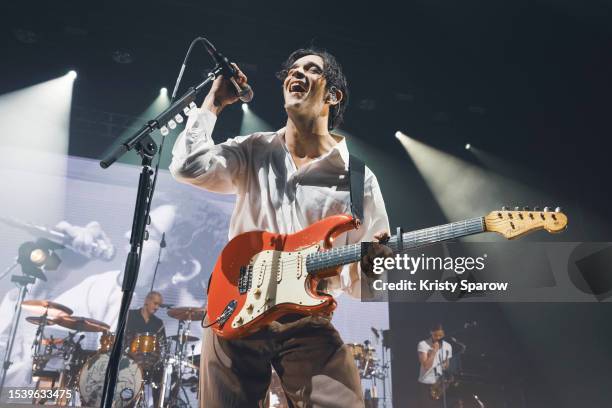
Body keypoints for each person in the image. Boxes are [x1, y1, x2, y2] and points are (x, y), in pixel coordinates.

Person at [170, 48, 391, 407]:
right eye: (293, 69)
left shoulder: (358, 179)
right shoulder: (254, 149)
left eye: (311, 69)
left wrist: (371, 265)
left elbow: (365, 288)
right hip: (236, 306)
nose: (296, 74)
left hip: (307, 319)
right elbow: (187, 168)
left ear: (333, 95)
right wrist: (213, 103)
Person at [417, 323, 453, 408]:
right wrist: (434, 352)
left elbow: (446, 365)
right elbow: (426, 366)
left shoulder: (448, 346)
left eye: (441, 335)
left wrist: (446, 366)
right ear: (431, 333)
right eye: (436, 335)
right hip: (426, 383)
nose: (438, 338)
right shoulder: (423, 344)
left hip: (439, 384)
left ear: (444, 334)